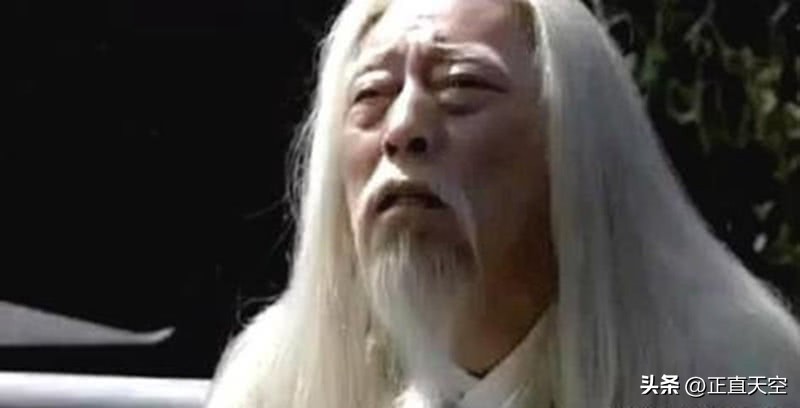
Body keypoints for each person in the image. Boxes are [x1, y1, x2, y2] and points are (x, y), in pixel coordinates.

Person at [205, 0, 800, 407]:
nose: (404, 127)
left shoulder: (722, 376)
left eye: (461, 85)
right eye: (372, 94)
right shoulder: (283, 386)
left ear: (571, 143)